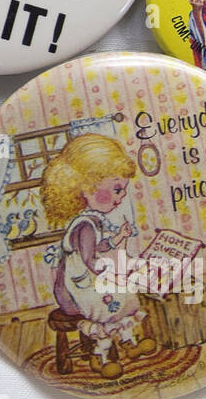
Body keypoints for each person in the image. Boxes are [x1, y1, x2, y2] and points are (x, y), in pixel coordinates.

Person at [41, 134, 155, 379]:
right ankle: (100, 355)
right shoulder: (84, 225)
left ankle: (128, 342)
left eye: (122, 190)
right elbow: (88, 261)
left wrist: (116, 239)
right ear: (89, 186)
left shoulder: (91, 221)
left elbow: (98, 247)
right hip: (76, 291)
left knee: (121, 292)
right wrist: (113, 271)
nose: (121, 196)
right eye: (116, 189)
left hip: (85, 280)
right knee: (118, 295)